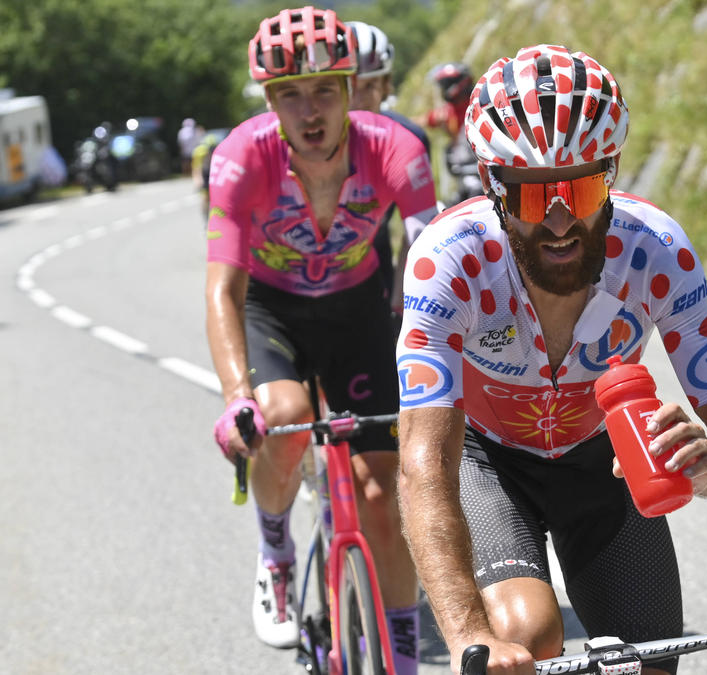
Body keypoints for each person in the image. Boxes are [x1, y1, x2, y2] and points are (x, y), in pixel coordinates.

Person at [394, 44, 707, 675]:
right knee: (525, 637)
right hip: (489, 464)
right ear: (493, 186)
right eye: (536, 197)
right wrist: (464, 636)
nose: (563, 221)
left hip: (604, 463)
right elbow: (424, 466)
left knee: (651, 659)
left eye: (584, 186)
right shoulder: (447, 260)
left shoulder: (657, 251)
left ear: (614, 170)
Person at [205, 7, 436, 672]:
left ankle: (400, 656)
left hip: (358, 309)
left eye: (325, 92)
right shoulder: (240, 157)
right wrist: (234, 396)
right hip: (271, 308)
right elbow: (223, 289)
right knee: (282, 417)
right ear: (270, 101)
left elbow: (430, 262)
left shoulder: (397, 149)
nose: (309, 112)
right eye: (289, 95)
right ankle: (275, 548)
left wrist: (444, 363)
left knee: (382, 495)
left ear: (350, 88)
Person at [346, 20, 432, 322]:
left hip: (374, 258)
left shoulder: (409, 140)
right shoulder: (310, 142)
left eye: (369, 86)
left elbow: (416, 234)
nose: (357, 101)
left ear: (386, 86)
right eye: (349, 87)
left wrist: (400, 304)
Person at [423, 61, 481, 205]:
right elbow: (428, 119)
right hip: (466, 173)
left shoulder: (479, 105)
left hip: (482, 175)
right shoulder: (450, 111)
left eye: (444, 85)